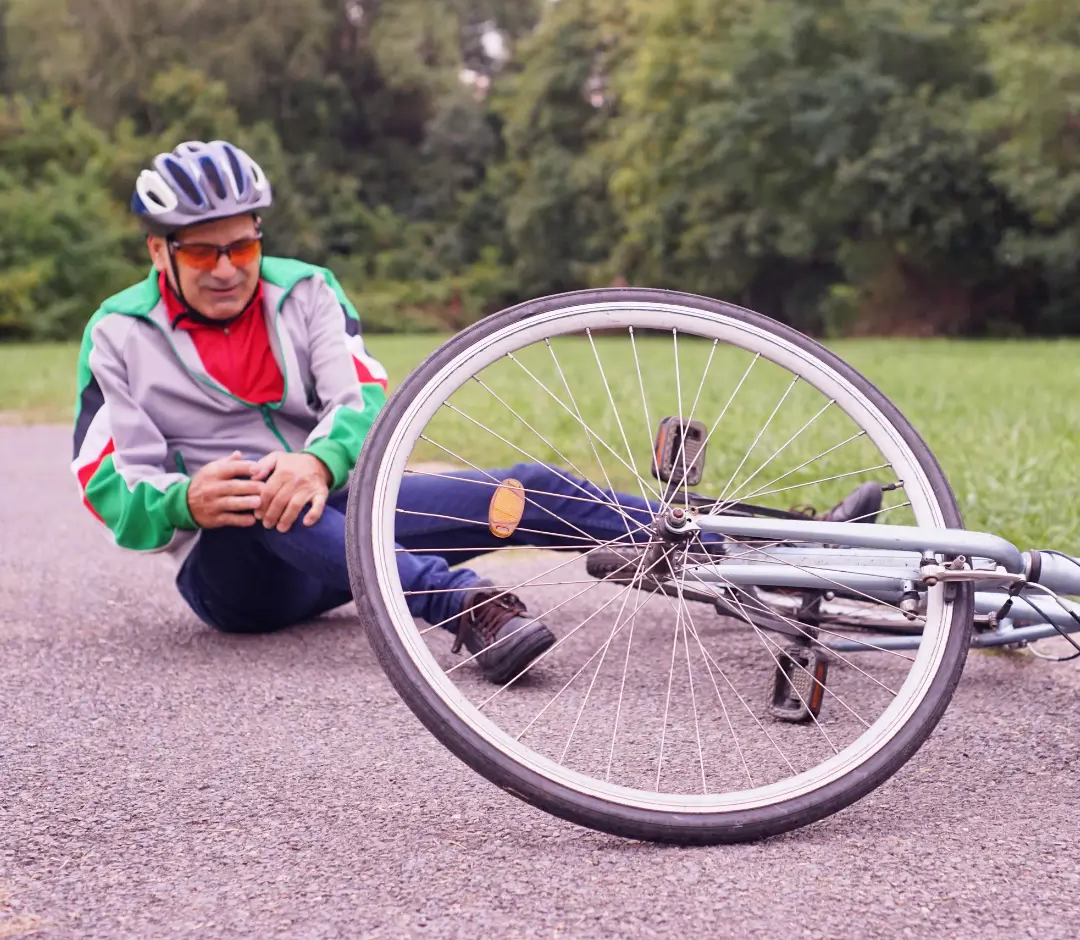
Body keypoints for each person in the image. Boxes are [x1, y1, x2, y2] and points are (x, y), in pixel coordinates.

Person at [71, 140, 881, 686]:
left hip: (350, 514)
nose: (225, 270)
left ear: (258, 238)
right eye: (201, 252)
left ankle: (774, 551)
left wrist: (319, 461)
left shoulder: (307, 290)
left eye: (240, 247)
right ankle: (469, 608)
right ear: (159, 251)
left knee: (522, 491)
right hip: (237, 576)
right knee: (261, 493)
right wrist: (185, 501)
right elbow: (110, 486)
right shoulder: (116, 334)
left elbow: (360, 404)